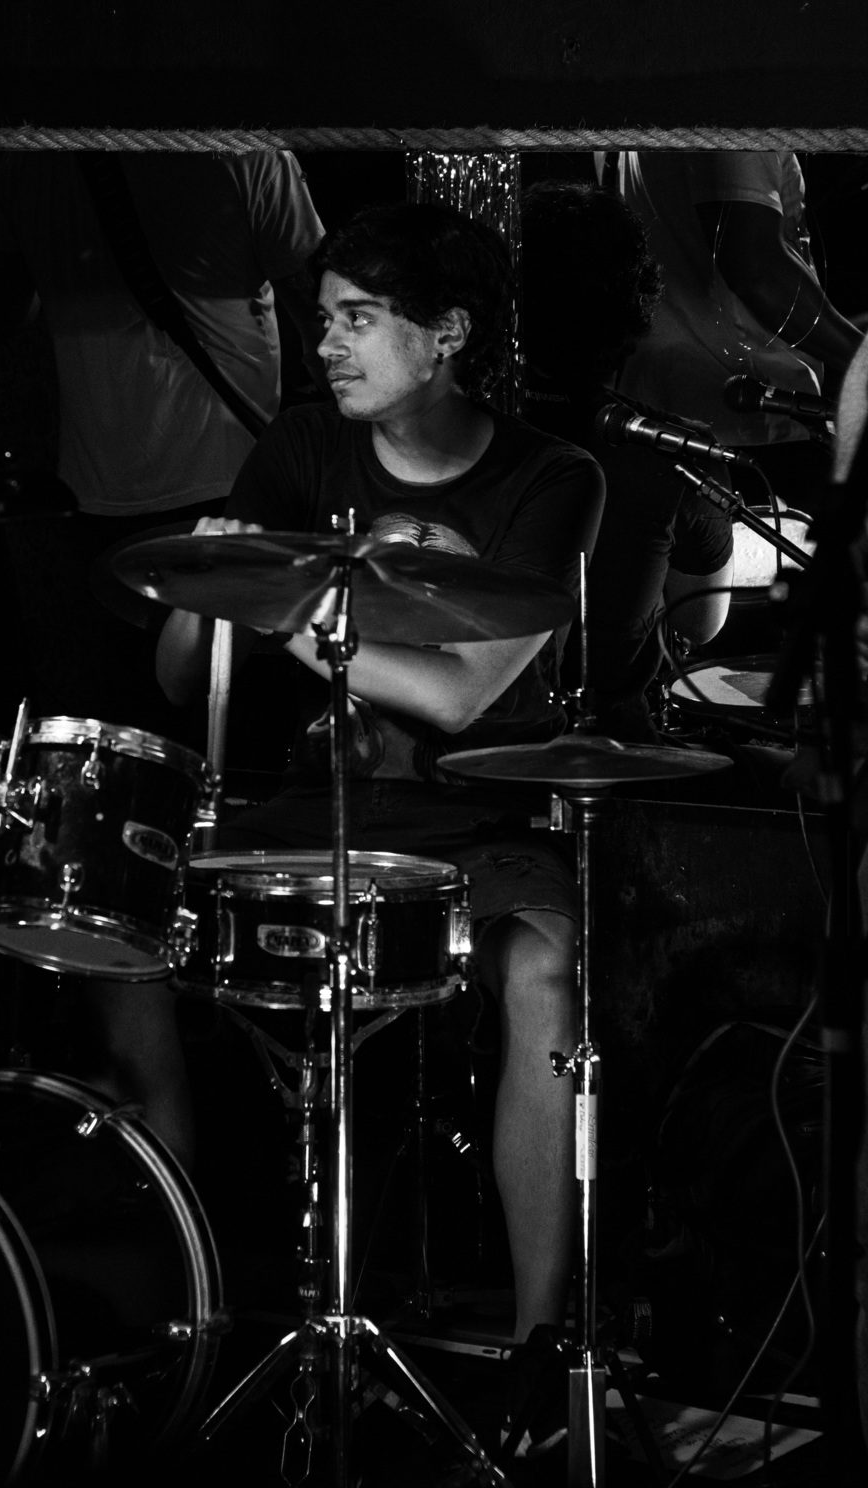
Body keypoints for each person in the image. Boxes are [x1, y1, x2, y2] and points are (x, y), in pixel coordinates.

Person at [156, 201, 606, 1454]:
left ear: (446, 334)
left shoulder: (553, 479)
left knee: (546, 971)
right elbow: (180, 676)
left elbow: (464, 694)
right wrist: (202, 588)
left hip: (473, 813)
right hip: (312, 805)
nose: (327, 346)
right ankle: (191, 1302)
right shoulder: (303, 446)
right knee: (120, 919)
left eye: (358, 320)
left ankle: (539, 1351)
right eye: (322, 320)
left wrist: (287, 606)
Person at [0, 148, 326, 737]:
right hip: (233, 478)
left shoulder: (30, 164)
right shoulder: (247, 153)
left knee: (134, 731)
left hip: (96, 489)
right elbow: (322, 314)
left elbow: (0, 311)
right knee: (244, 726)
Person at [520, 178, 735, 742]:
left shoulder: (453, 430)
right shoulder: (677, 455)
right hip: (614, 751)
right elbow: (700, 623)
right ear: (636, 305)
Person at [600, 150, 863, 511]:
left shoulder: (635, 121)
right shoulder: (742, 116)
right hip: (748, 420)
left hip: (656, 413)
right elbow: (756, 271)